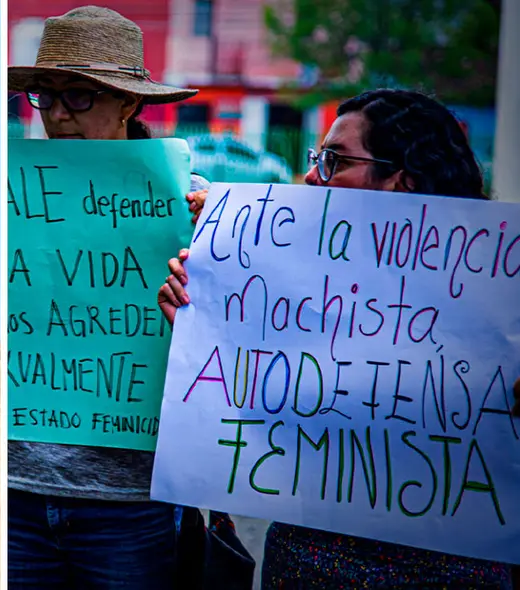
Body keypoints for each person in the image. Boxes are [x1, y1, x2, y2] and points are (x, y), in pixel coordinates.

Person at [158, 88, 514, 589]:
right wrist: (200, 331)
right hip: (308, 559)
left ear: (402, 180)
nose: (310, 174)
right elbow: (256, 411)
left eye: (333, 160)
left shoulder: (499, 301)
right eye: (315, 158)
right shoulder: (292, 289)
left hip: (451, 567)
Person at [6, 6, 211, 589]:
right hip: (18, 492)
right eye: (46, 97)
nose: (60, 115)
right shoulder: (12, 189)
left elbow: (233, 344)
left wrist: (211, 253)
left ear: (129, 104)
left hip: (130, 500)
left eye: (81, 95)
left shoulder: (190, 204)